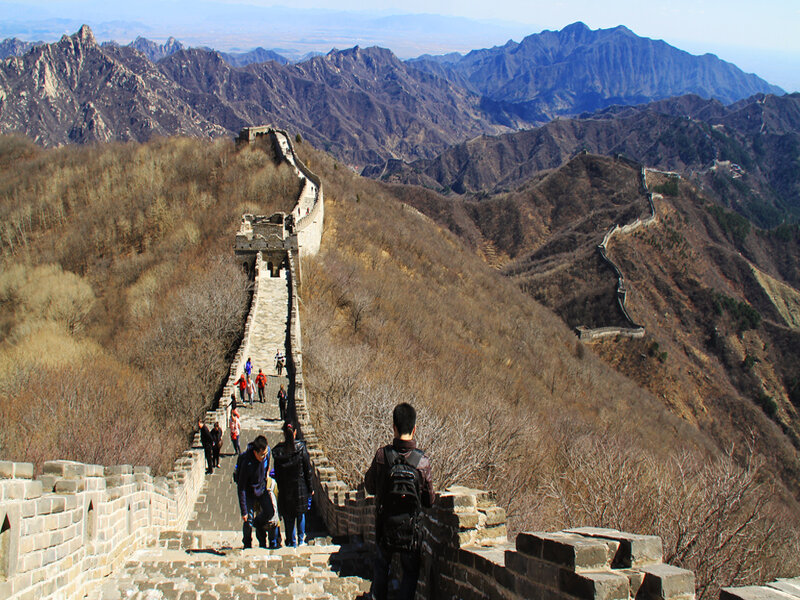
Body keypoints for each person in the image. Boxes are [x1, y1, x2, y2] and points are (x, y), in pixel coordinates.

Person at [364, 403, 434, 600]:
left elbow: (369, 486)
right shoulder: (422, 462)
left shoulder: (382, 456)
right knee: (410, 572)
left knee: (381, 566)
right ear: (414, 429)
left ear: (393, 427)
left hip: (385, 526)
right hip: (411, 531)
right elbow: (429, 500)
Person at [272, 422, 313, 547]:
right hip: (300, 488)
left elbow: (277, 475)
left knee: (289, 517)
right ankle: (301, 541)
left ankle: (291, 542)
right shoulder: (301, 448)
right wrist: (310, 488)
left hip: (285, 490)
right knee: (300, 515)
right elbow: (308, 470)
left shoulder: (278, 452)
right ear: (295, 432)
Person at [236, 435, 278, 549]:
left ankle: (257, 522)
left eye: (265, 454)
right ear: (255, 452)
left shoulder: (267, 452)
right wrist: (244, 510)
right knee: (247, 520)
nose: (264, 456)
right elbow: (241, 487)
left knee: (270, 512)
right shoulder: (247, 462)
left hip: (262, 488)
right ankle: (247, 544)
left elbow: (267, 466)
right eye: (262, 455)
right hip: (249, 491)